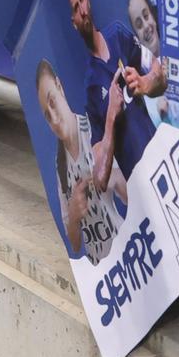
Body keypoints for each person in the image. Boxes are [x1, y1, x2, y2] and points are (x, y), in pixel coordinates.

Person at [68, 0, 160, 186]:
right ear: (73, 22)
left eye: (82, 0)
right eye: (76, 8)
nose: (83, 11)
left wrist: (144, 83)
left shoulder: (118, 35)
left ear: (88, 0)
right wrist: (110, 118)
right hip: (141, 187)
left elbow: (158, 69)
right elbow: (100, 179)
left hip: (162, 154)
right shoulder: (91, 87)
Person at [35, 58, 127, 264]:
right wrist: (75, 216)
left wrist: (114, 177)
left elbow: (130, 195)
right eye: (47, 116)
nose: (55, 119)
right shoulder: (60, 164)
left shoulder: (92, 132)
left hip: (125, 251)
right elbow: (75, 244)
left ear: (60, 87)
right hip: (101, 269)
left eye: (53, 102)